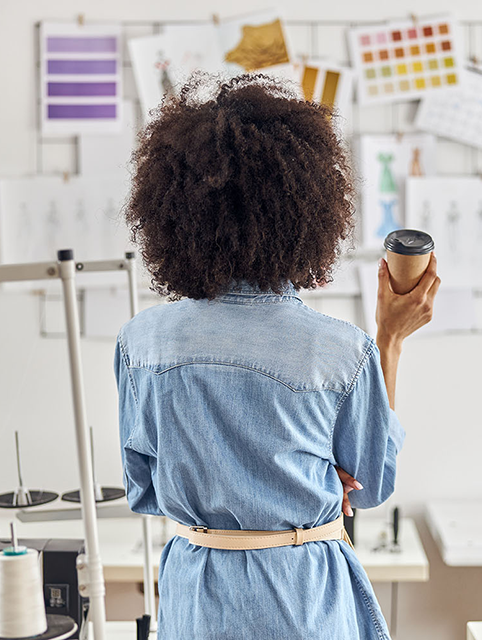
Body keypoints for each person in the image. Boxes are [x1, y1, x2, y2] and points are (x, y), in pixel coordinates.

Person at [116, 73, 439, 639]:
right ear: (306, 212)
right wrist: (390, 338)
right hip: (301, 601)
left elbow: (144, 488)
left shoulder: (140, 344)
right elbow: (373, 481)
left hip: (195, 600)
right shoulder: (342, 353)